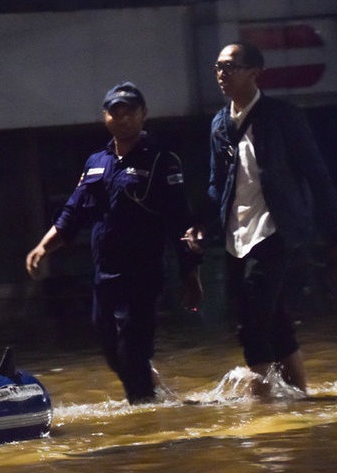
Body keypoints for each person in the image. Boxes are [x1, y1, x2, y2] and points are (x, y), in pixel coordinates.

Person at [26, 82, 203, 404]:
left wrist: (191, 274)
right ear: (105, 117)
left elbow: (180, 219)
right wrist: (43, 247)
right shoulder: (97, 161)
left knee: (132, 349)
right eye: (115, 112)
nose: (123, 119)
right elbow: (74, 210)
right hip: (104, 274)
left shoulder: (162, 160)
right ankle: (148, 396)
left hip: (144, 272)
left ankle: (144, 414)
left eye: (130, 112)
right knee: (110, 348)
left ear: (143, 114)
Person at [205, 43, 337, 395]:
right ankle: (302, 399)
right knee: (276, 319)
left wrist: (331, 235)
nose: (222, 74)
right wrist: (201, 225)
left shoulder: (282, 116)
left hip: (275, 230)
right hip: (236, 234)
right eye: (218, 67)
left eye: (231, 66)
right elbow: (217, 184)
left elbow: (316, 175)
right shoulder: (219, 124)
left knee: (251, 320)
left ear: (254, 72)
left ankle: (262, 409)